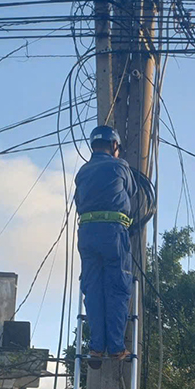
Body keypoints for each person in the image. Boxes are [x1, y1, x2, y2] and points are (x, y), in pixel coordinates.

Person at [72, 125, 153, 365]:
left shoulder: (83, 171)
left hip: (86, 232)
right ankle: (117, 348)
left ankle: (96, 349)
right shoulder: (120, 166)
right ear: (115, 146)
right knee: (117, 287)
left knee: (94, 289)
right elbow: (130, 190)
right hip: (113, 232)